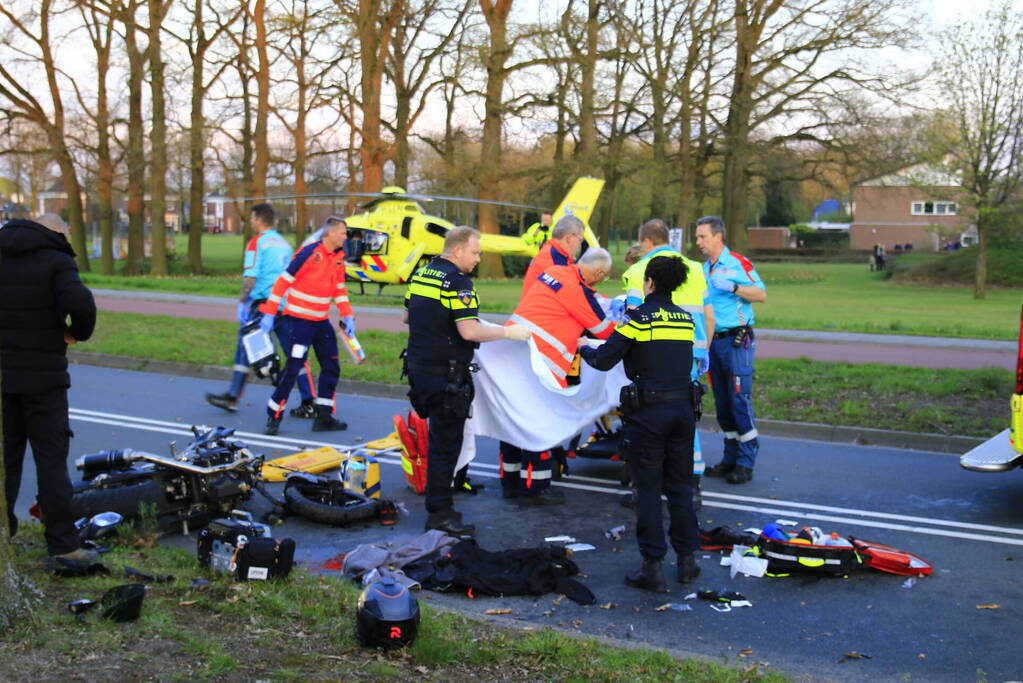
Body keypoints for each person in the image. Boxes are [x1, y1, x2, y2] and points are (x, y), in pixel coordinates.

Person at [580, 256, 700, 591]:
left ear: (649, 282)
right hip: (683, 411)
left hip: (649, 415)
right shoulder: (684, 320)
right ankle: (688, 561)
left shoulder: (638, 319)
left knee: (647, 490)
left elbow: (605, 360)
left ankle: (653, 567)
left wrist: (585, 348)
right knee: (680, 489)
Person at [403, 226, 531, 535]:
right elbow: (470, 331)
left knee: (438, 441)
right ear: (457, 250)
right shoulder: (458, 283)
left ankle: (439, 506)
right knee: (446, 446)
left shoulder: (422, 274)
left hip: (419, 369)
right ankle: (440, 515)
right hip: (446, 375)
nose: (478, 259)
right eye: (475, 252)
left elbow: (408, 318)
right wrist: (508, 332)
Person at [0, 213, 98, 564]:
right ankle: (63, 545)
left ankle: (5, 534)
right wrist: (76, 333)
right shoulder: (57, 259)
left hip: (3, 378)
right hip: (44, 381)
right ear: (57, 231)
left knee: (5, 463)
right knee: (51, 463)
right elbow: (81, 304)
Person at [499, 248, 615, 506]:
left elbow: (587, 297)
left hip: (513, 356)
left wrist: (604, 299)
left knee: (513, 424)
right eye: (603, 277)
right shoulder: (578, 291)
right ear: (598, 272)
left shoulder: (556, 273)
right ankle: (535, 489)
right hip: (540, 365)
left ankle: (510, 483)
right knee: (539, 426)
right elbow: (604, 330)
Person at [620, 219, 714, 509]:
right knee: (686, 418)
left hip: (655, 357)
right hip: (691, 356)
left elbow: (634, 318)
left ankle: (645, 488)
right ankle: (692, 485)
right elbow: (710, 317)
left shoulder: (639, 271)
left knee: (650, 420)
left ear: (645, 241)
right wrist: (703, 352)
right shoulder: (696, 269)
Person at [205, 203, 315, 418]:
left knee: (245, 348)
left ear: (258, 220)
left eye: (252, 218)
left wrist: (243, 302)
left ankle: (233, 396)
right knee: (295, 353)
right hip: (285, 306)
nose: (251, 222)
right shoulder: (284, 244)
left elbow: (250, 277)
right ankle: (308, 400)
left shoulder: (257, 243)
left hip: (263, 306)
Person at [258, 216, 355, 435]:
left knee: (331, 367)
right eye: (343, 232)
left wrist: (348, 316)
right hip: (300, 322)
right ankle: (273, 415)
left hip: (321, 323)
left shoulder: (339, 257)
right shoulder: (309, 253)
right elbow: (283, 282)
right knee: (293, 369)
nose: (345, 237)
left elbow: (339, 290)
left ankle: (323, 417)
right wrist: (270, 314)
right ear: (330, 233)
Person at [694, 215, 767, 485]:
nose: (698, 241)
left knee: (739, 400)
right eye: (697, 236)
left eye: (702, 236)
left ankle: (746, 462)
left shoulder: (737, 263)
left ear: (717, 236)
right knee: (723, 404)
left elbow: (761, 294)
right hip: (713, 343)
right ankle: (730, 459)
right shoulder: (703, 269)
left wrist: (735, 287)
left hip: (737, 341)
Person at [521, 215, 585, 297]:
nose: (579, 245)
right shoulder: (553, 258)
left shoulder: (554, 253)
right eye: (580, 240)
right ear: (569, 239)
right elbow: (568, 293)